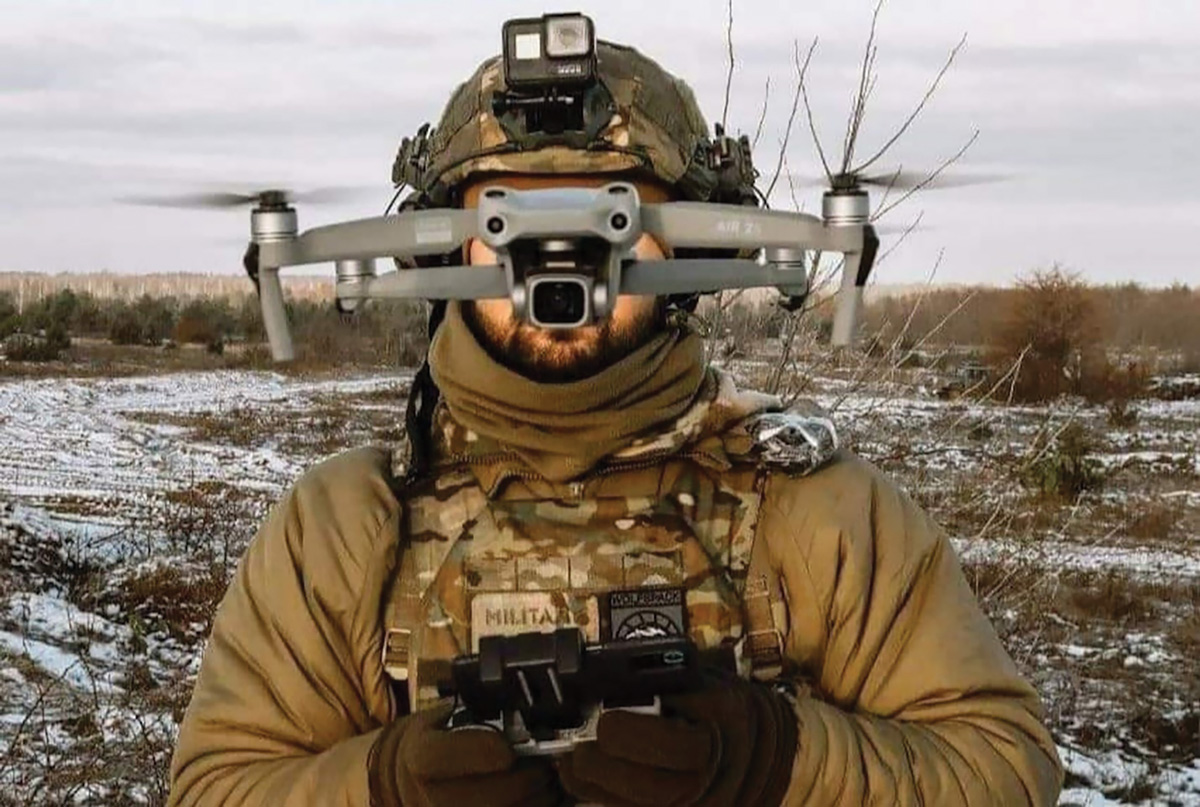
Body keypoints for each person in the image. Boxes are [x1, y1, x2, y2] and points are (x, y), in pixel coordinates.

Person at [167, 21, 1063, 807]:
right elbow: (219, 784)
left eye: (613, 218)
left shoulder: (820, 514)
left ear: (693, 239)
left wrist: (778, 759)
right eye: (510, 220)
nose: (563, 266)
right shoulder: (343, 529)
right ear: (445, 238)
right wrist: (383, 784)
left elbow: (1002, 766)